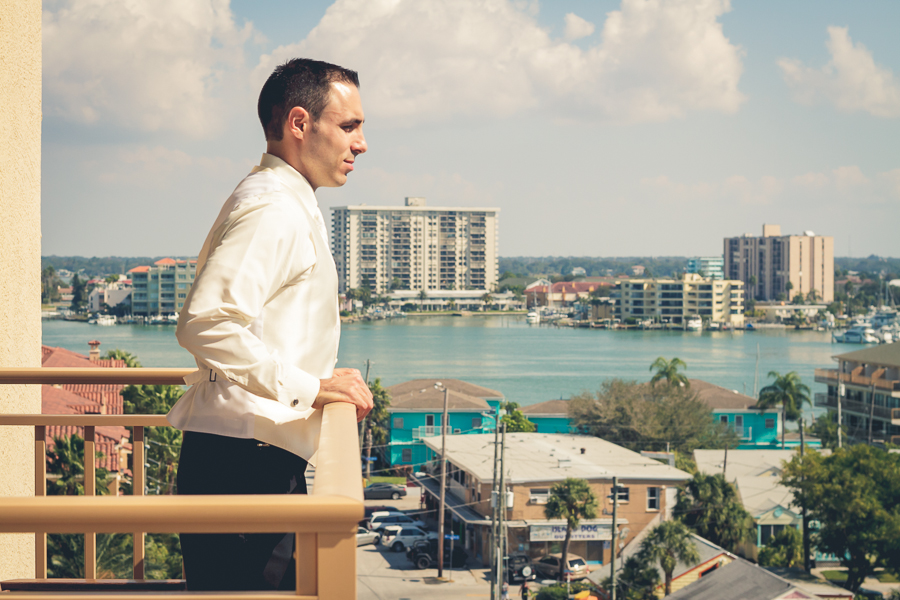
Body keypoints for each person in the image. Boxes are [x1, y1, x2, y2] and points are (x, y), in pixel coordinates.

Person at [167, 58, 373, 591]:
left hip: (247, 456)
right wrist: (313, 386)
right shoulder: (273, 209)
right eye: (349, 126)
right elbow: (206, 323)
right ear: (299, 124)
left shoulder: (280, 199)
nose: (361, 144)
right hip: (242, 464)